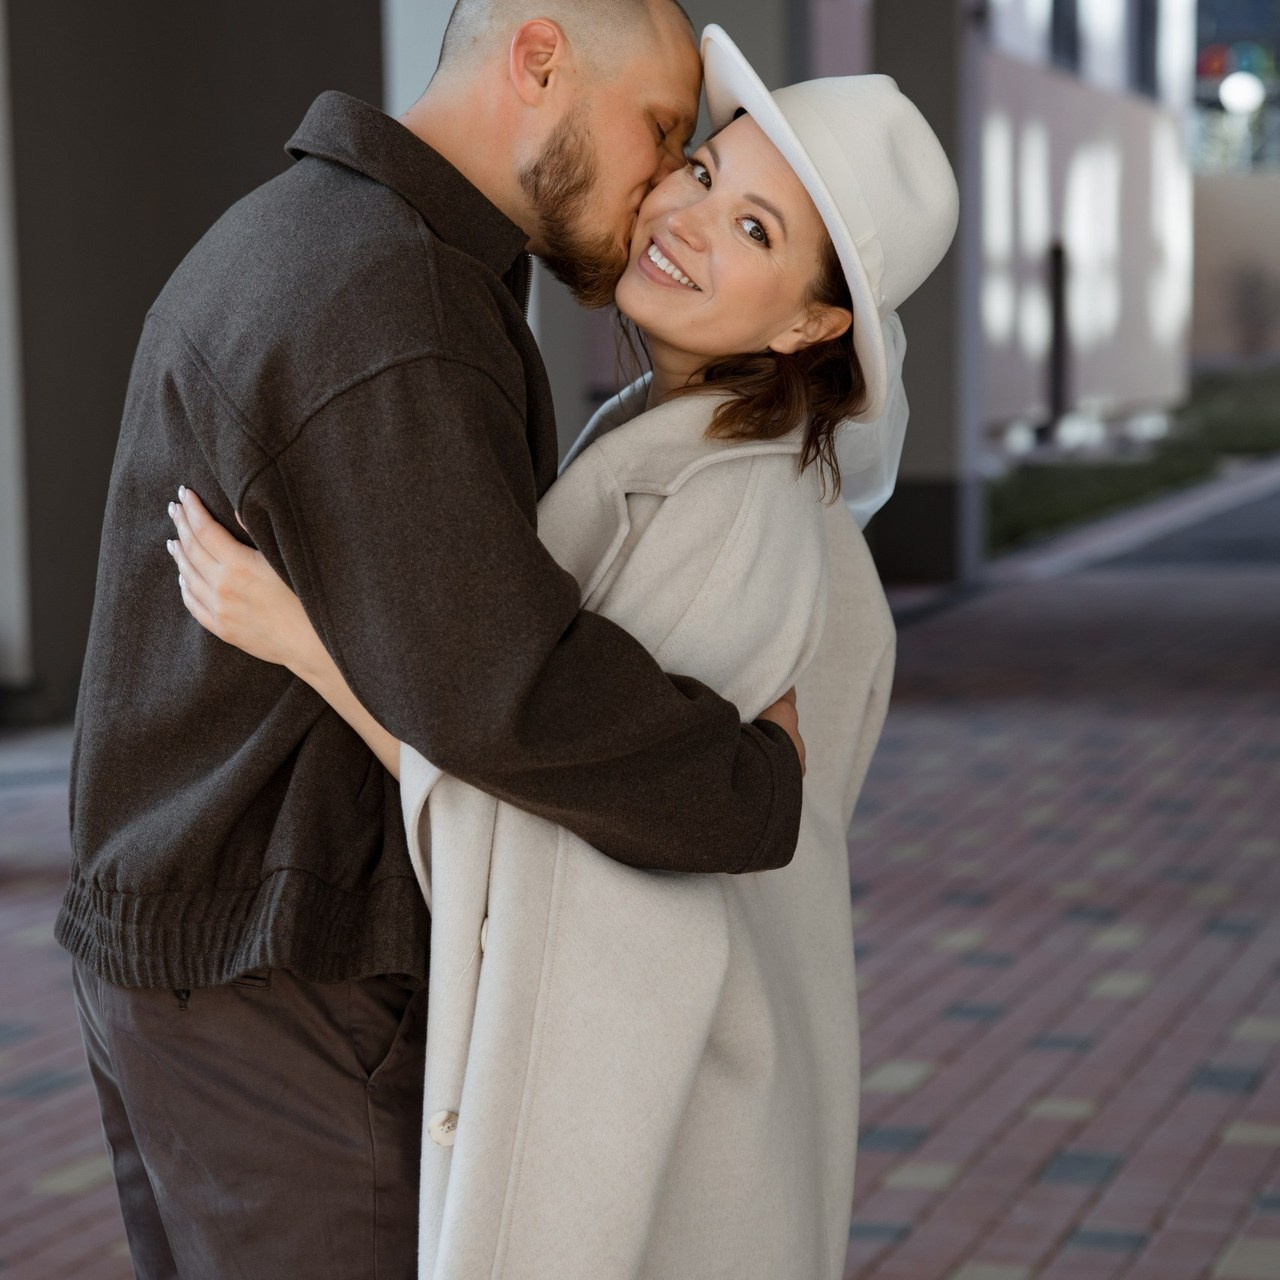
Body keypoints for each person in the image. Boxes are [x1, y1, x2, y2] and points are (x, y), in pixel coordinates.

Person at [166, 24, 959, 1280]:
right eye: (699, 168)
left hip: (664, 1105)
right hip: (666, 1077)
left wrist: (308, 642)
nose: (685, 214)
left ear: (812, 325)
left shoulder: (725, 510)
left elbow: (562, 812)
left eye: (756, 230)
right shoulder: (664, 443)